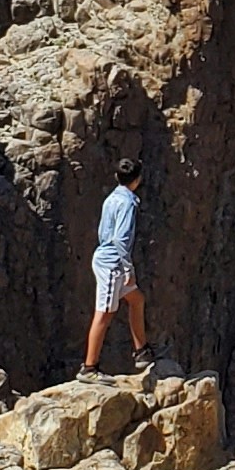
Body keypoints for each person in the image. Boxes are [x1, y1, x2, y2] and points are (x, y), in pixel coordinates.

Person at [84, 157, 150, 374]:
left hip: (107, 259)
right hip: (112, 265)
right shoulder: (128, 203)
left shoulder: (111, 198)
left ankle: (142, 351)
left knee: (136, 300)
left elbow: (104, 233)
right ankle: (89, 368)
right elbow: (121, 239)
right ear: (138, 179)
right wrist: (128, 269)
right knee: (103, 314)